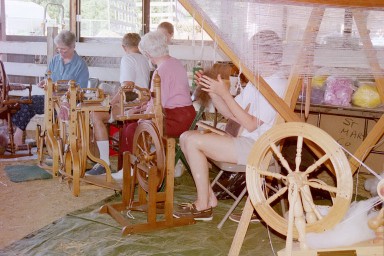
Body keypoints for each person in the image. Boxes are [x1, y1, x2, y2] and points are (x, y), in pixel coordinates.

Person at [173, 30, 287, 221]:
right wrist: (213, 92)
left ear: (267, 55)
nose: (249, 57)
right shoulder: (258, 82)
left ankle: (203, 205)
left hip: (258, 148)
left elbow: (250, 125)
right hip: (246, 142)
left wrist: (224, 94)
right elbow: (230, 113)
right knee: (186, 137)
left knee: (191, 140)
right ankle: (208, 199)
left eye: (253, 52)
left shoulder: (276, 85)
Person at [110, 31, 196, 179]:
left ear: (149, 53)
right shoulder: (175, 62)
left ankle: (131, 169)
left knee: (131, 129)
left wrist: (140, 118)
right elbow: (161, 99)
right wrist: (141, 108)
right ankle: (131, 167)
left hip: (175, 119)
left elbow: (158, 105)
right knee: (132, 121)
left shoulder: (161, 71)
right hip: (187, 115)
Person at [86, 33, 151, 175]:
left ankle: (103, 162)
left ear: (123, 47)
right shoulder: (145, 60)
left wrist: (111, 103)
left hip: (131, 105)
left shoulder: (127, 59)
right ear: (139, 45)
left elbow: (127, 87)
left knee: (96, 115)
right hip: (142, 103)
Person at [12, 30, 89, 148]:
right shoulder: (55, 60)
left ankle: (51, 141)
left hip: (70, 102)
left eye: (64, 49)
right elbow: (48, 77)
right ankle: (18, 136)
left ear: (73, 46)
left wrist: (65, 101)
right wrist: (44, 82)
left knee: (56, 111)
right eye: (58, 48)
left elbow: (81, 90)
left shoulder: (80, 65)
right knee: (25, 101)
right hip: (51, 98)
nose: (61, 52)